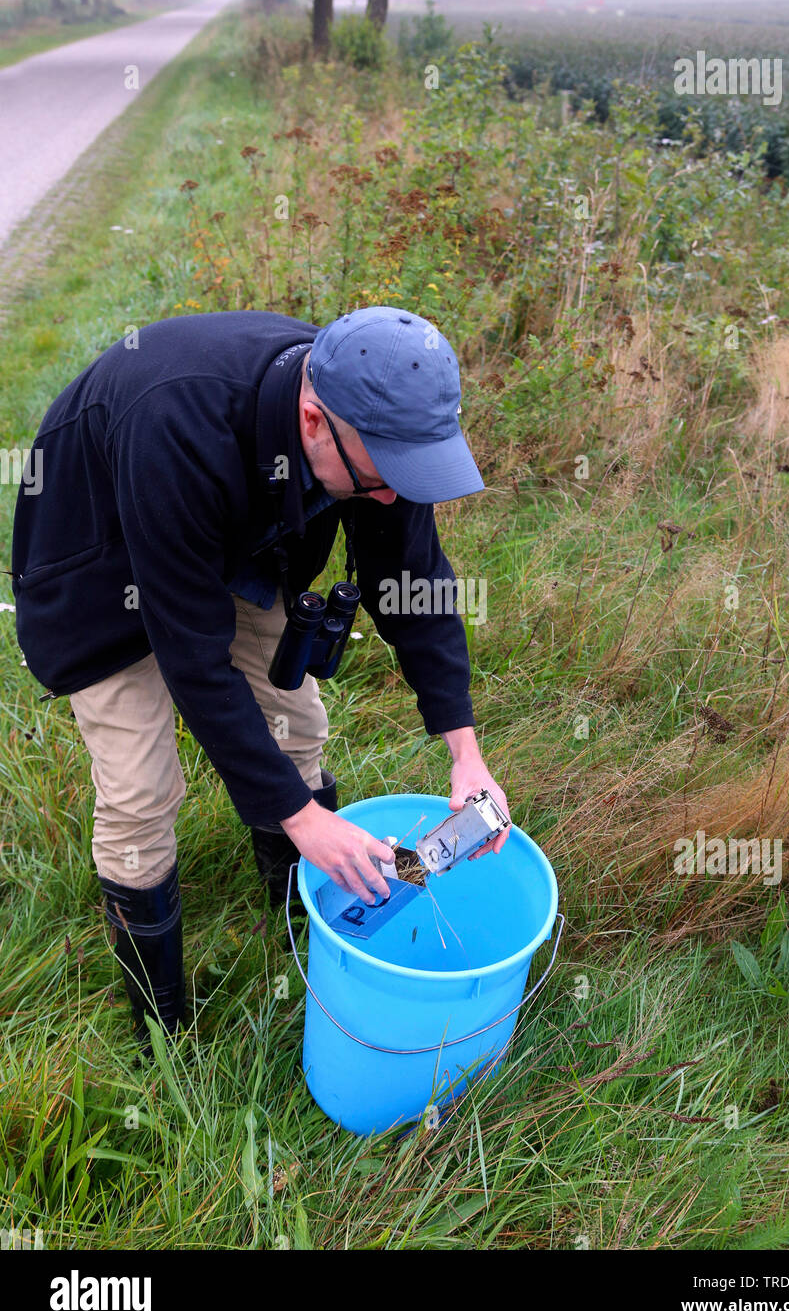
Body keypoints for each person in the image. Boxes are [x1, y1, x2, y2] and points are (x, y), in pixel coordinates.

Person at [10, 304, 511, 1050]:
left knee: (298, 726)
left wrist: (465, 753)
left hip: (241, 542)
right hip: (102, 566)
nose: (387, 499)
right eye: (379, 479)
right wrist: (303, 818)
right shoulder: (178, 423)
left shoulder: (371, 425)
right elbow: (192, 660)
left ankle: (299, 922)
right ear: (313, 420)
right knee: (142, 791)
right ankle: (163, 1031)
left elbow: (415, 583)